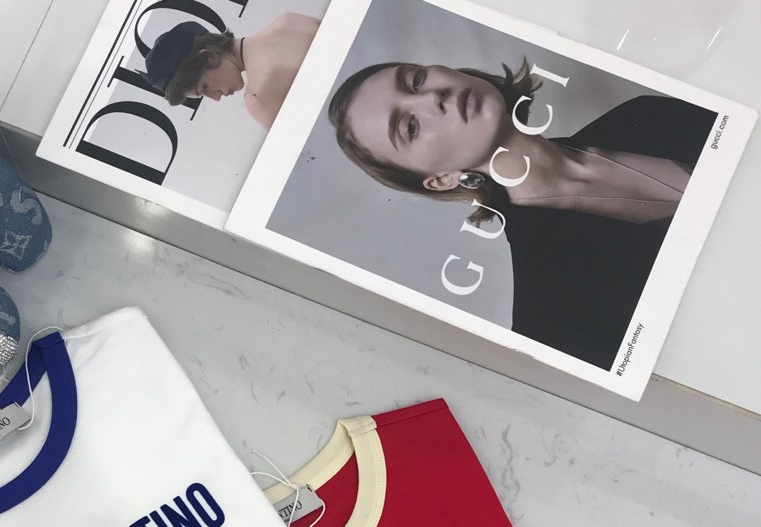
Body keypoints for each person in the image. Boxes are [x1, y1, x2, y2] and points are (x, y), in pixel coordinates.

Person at [327, 61, 717, 368]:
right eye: (410, 126)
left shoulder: (647, 112)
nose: (433, 98)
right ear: (441, 179)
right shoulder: (550, 319)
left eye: (416, 80)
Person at [144, 15, 320, 130]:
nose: (216, 98)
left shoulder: (258, 97)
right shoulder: (287, 21)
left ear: (209, 56)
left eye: (204, 88)